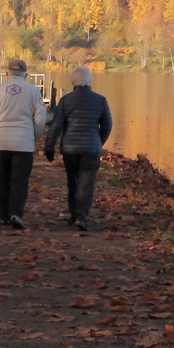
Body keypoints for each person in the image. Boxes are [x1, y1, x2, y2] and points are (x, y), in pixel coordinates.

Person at [43, 67, 113, 232]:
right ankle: (81, 216)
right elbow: (107, 125)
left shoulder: (66, 101)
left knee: (73, 182)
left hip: (70, 149)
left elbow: (56, 126)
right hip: (91, 149)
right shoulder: (100, 100)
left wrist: (49, 147)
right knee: (86, 184)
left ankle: (75, 214)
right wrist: (98, 142)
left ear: (72, 81)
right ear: (90, 81)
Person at [0, 58, 46, 229]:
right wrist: (34, 136)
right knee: (20, 180)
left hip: (1, 141)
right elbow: (40, 118)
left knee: (3, 179)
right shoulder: (33, 91)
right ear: (26, 75)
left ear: (6, 73)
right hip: (23, 142)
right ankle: (16, 213)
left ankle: (3, 215)